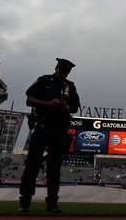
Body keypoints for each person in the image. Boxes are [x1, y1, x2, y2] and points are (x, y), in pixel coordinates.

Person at [18, 58, 81, 213]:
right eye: (62, 71)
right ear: (56, 68)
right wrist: (48, 104)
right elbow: (29, 100)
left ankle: (52, 203)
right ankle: (25, 202)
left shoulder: (69, 86)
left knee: (54, 169)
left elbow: (75, 108)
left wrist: (65, 106)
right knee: (32, 166)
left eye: (66, 72)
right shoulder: (44, 80)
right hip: (42, 127)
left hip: (59, 131)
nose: (64, 74)